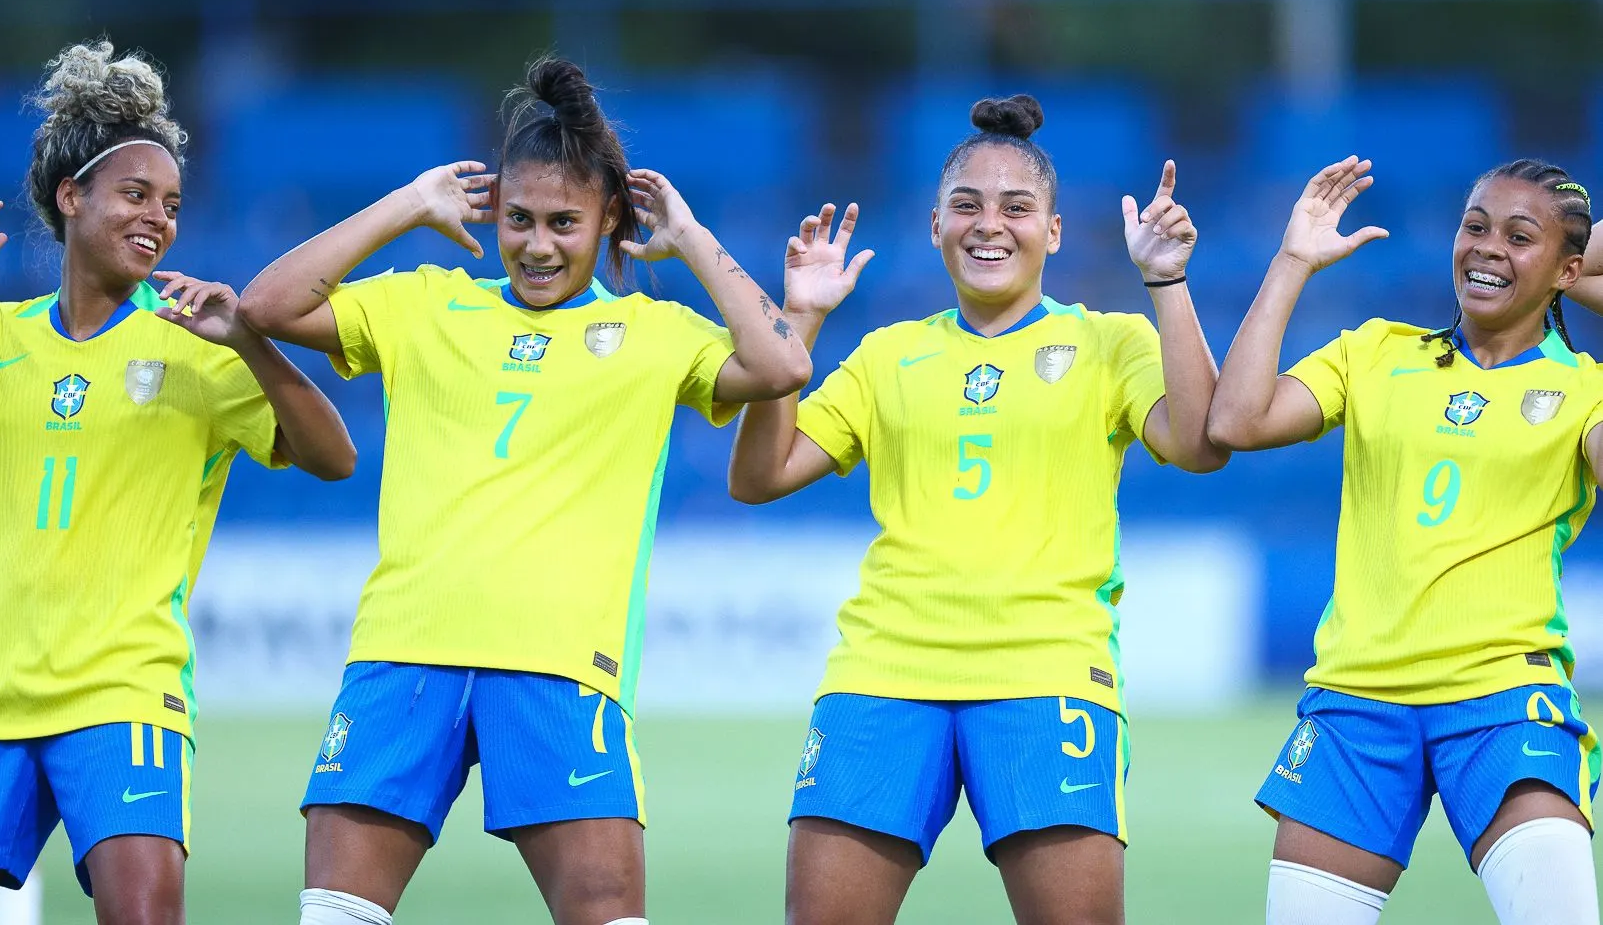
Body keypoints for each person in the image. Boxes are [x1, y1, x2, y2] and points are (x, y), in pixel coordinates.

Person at [235, 56, 812, 925]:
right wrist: (408, 206)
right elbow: (267, 305)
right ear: (492, 209)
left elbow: (781, 365)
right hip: (404, 655)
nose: (537, 245)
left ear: (609, 218)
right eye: (518, 219)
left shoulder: (652, 332)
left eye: (564, 223)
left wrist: (688, 237)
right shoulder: (427, 302)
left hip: (560, 670)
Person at [727, 94, 1228, 925]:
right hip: (883, 676)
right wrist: (800, 320)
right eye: (966, 205)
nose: (988, 225)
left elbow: (1199, 446)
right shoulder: (887, 353)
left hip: (1048, 677)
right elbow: (758, 477)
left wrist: (1165, 282)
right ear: (933, 226)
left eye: (1016, 208)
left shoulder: (1111, 341)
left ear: (1054, 232)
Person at [0, 40, 356, 924]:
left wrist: (251, 344)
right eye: (137, 195)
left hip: (124, 691)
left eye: (174, 204)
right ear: (71, 198)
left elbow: (334, 457)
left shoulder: (199, 343)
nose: (160, 218)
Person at [1207, 157, 1603, 925]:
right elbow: (1235, 422)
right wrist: (1292, 262)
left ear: (1568, 271)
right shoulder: (1376, 351)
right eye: (1475, 226)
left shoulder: (1585, 387)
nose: (1486, 247)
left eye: (1519, 237)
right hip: (1356, 704)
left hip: (1502, 703)